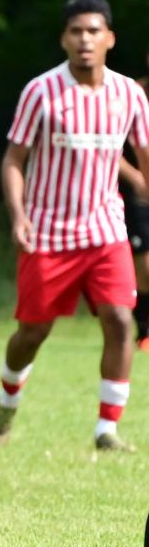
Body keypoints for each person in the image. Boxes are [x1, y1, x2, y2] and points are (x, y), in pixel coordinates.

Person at [0, 0, 149, 452]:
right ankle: (7, 402)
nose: (85, 40)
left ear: (110, 38)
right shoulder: (41, 91)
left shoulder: (129, 94)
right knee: (33, 333)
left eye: (94, 31)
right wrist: (19, 217)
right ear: (64, 39)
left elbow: (144, 156)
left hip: (106, 231)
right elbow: (13, 160)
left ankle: (106, 429)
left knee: (121, 320)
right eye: (76, 31)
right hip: (48, 233)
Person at [119, 57, 149, 349]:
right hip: (140, 197)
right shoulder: (131, 94)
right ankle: (144, 330)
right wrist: (138, 179)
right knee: (145, 270)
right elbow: (108, 148)